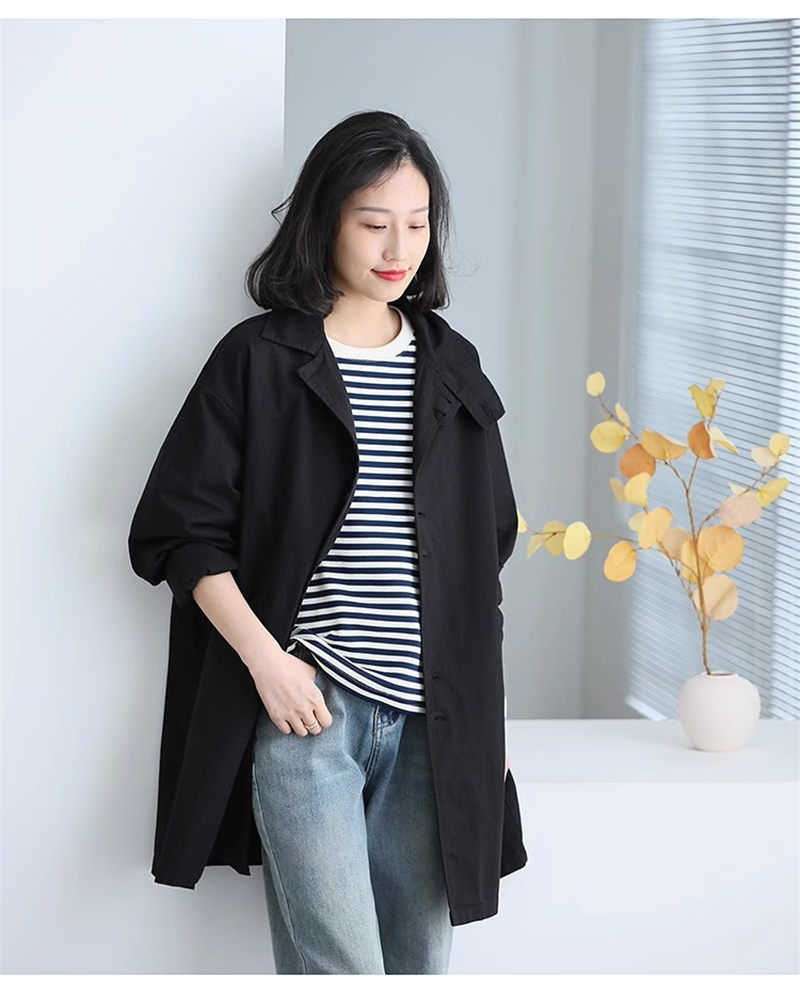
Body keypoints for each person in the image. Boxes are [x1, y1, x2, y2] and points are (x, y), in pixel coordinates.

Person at [128, 109, 527, 976]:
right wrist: (268, 664)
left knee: (418, 967)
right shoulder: (258, 359)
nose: (399, 247)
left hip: (434, 724)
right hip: (310, 712)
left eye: (417, 223)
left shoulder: (453, 368)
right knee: (341, 970)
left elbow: (483, 561)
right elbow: (179, 532)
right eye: (374, 222)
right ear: (326, 220)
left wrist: (484, 721)